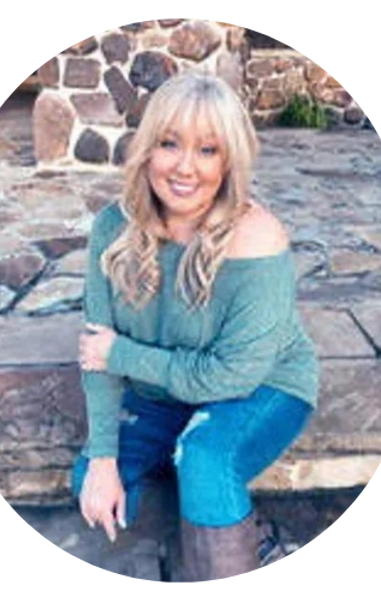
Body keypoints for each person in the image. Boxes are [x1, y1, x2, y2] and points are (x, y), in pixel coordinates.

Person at [72, 71, 319, 583]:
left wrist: (121, 354)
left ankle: (229, 554)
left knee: (204, 457)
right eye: (169, 143)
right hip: (163, 391)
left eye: (208, 150)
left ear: (229, 161)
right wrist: (101, 460)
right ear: (148, 149)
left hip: (261, 387)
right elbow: (96, 354)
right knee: (92, 482)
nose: (185, 167)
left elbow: (230, 376)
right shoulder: (112, 227)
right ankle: (235, 533)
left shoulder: (257, 238)